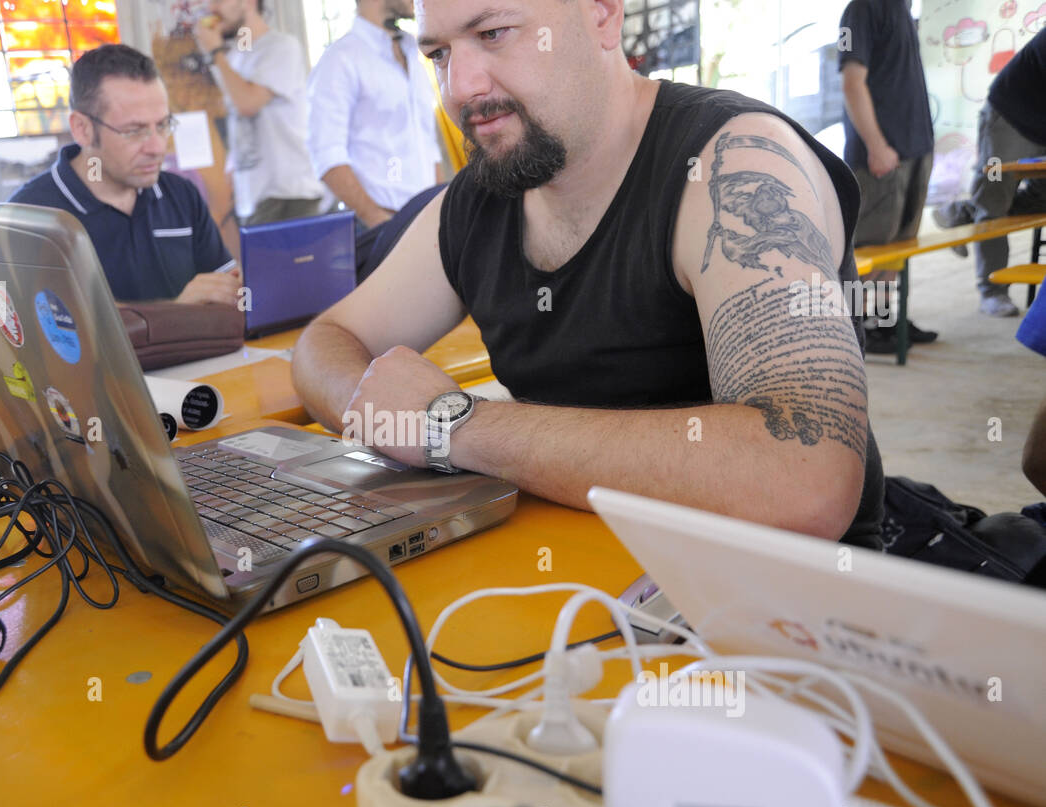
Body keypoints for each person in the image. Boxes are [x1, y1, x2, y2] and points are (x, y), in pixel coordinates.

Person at [292, 0, 886, 549]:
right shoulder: (480, 198)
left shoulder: (733, 162)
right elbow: (325, 344)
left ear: (602, 13)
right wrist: (389, 412)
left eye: (494, 33)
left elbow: (808, 479)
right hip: (577, 587)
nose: (460, 88)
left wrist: (453, 425)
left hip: (778, 621)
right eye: (439, 54)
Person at [10, 44, 241, 306]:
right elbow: (56, 328)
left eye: (163, 125)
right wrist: (177, 312)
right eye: (134, 130)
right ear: (83, 129)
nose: (157, 147)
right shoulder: (29, 217)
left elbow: (229, 293)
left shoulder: (182, 196)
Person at [838, 0, 938, 353]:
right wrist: (876, 145)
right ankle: (856, 327)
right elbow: (852, 83)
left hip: (915, 149)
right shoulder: (862, 9)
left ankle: (883, 320)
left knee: (898, 246)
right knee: (869, 245)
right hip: (881, 154)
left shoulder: (902, 8)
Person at [933, 29, 1046, 319]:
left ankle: (962, 212)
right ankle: (993, 292)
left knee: (1041, 202)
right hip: (1008, 121)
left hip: (1042, 127)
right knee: (994, 202)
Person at [307, 0, 442, 230]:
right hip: (377, 225)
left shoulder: (413, 53)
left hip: (425, 221)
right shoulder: (340, 59)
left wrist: (440, 211)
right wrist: (379, 223)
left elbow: (428, 145)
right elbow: (327, 155)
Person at [194, 0, 325, 225]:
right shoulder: (234, 56)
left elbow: (248, 103)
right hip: (252, 197)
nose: (212, 8)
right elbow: (239, 112)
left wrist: (215, 52)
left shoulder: (281, 47)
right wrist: (233, 166)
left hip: (288, 195)